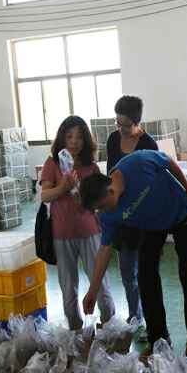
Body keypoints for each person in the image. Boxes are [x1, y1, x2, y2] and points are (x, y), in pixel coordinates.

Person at [80, 149, 187, 357]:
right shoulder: (108, 215)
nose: (102, 212)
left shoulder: (137, 164)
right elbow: (104, 249)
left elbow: (168, 162)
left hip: (179, 212)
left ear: (110, 191)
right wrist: (92, 291)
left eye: (101, 206)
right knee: (146, 278)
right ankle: (159, 339)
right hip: (151, 227)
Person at [40, 115, 116, 331]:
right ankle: (75, 329)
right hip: (61, 234)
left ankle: (110, 326)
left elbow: (101, 200)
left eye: (80, 137)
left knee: (100, 282)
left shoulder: (91, 168)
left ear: (86, 141)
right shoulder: (53, 163)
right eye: (69, 136)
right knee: (68, 286)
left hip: (90, 231)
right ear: (62, 138)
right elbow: (45, 196)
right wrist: (63, 187)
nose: (74, 142)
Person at [106, 95, 158, 341]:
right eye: (117, 123)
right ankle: (135, 316)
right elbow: (110, 174)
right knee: (127, 272)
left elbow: (155, 180)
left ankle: (152, 321)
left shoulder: (148, 144)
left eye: (125, 125)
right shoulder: (113, 140)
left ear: (137, 122)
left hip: (145, 217)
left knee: (146, 273)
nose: (120, 128)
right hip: (122, 215)